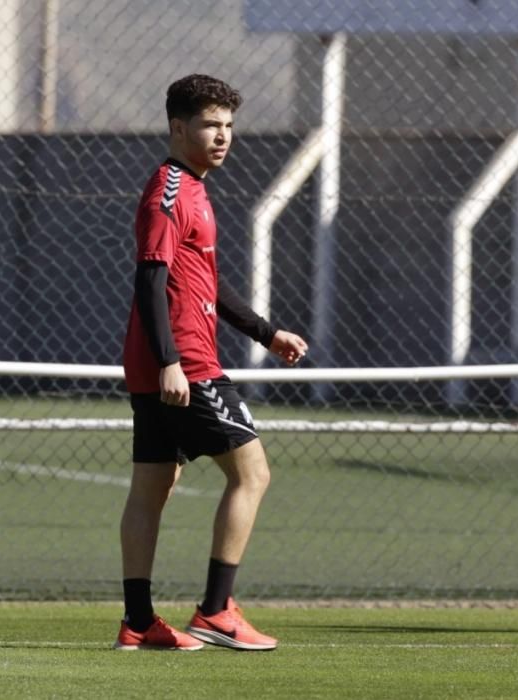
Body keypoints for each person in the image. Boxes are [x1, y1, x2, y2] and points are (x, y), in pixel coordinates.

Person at [116, 74, 308, 652]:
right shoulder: (169, 192)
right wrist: (172, 362)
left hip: (166, 362)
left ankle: (139, 622)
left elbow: (206, 284)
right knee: (252, 474)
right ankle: (217, 609)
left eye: (228, 125)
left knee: (153, 486)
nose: (222, 136)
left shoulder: (193, 188)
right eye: (209, 125)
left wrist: (267, 333)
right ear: (178, 128)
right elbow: (151, 279)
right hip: (186, 364)